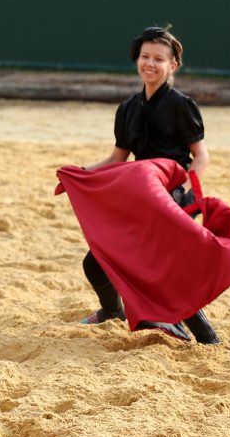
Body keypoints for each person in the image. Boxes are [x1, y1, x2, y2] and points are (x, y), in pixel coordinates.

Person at [79, 25, 220, 344]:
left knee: (162, 274)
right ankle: (112, 312)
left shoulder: (182, 105)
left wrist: (182, 191)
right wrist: (81, 172)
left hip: (175, 199)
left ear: (173, 66)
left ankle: (208, 338)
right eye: (145, 56)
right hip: (139, 197)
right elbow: (118, 158)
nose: (150, 63)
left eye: (159, 58)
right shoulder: (128, 108)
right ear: (136, 60)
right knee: (96, 263)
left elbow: (201, 156)